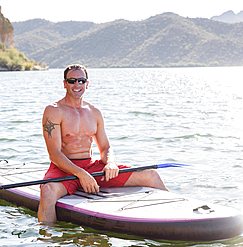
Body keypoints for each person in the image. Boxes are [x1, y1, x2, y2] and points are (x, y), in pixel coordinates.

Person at [38, 64, 168, 224]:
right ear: (65, 83)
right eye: (72, 80)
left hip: (92, 169)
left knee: (151, 176)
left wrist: (111, 163)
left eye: (81, 80)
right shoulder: (53, 110)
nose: (77, 85)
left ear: (87, 83)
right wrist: (81, 174)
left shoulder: (94, 112)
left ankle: (179, 216)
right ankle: (47, 238)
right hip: (64, 169)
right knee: (47, 192)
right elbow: (54, 154)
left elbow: (105, 147)